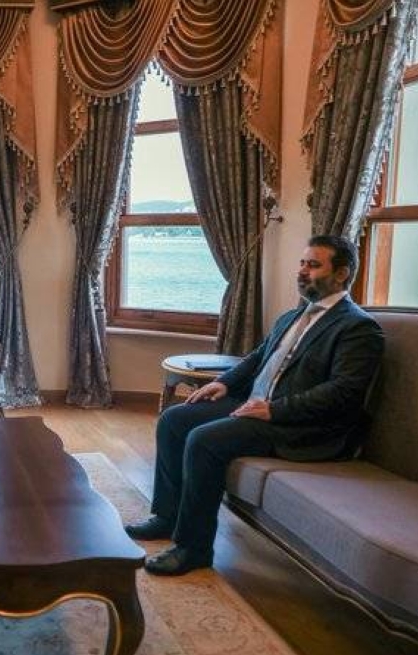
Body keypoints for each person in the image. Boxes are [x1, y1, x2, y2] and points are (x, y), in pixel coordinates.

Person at [126, 235, 384, 576]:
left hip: (298, 424)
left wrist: (275, 410)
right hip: (257, 406)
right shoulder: (294, 316)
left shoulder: (358, 328)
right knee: (174, 420)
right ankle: (166, 516)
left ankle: (193, 549)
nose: (302, 271)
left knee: (204, 440)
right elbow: (258, 357)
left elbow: (343, 393)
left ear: (342, 273)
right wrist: (224, 382)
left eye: (313, 265)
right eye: (302, 263)